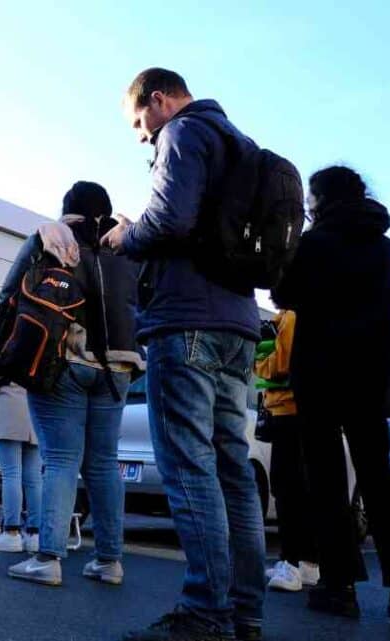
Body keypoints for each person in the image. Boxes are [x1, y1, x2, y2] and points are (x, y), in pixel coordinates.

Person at [102, 69, 266, 641]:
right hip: (238, 328)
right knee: (233, 476)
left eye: (140, 123)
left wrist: (128, 235)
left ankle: (205, 613)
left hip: (187, 322)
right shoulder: (237, 142)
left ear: (159, 99)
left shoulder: (183, 134)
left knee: (190, 470)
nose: (142, 137)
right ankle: (244, 612)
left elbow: (171, 219)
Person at [273, 166, 390, 623]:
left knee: (324, 478)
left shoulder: (315, 242)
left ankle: (337, 584)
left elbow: (283, 292)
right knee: (378, 478)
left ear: (320, 200)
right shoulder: (383, 247)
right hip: (367, 376)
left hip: (319, 374)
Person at [3, 183, 142, 588]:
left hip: (63, 360)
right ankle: (109, 561)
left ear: (68, 210)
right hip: (118, 366)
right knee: (103, 462)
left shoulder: (50, 237)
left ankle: (48, 557)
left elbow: (7, 293)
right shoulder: (129, 246)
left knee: (61, 459)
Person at [253, 310, 319, 593]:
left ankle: (291, 562)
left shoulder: (290, 318)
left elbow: (280, 364)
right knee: (301, 489)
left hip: (288, 410)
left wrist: (259, 363)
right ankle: (306, 563)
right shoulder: (295, 316)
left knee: (286, 486)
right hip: (301, 410)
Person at [0, 362, 41, 554]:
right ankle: (35, 534)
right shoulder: (46, 336)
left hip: (8, 405)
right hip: (36, 409)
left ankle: (11, 532)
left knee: (11, 473)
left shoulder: (6, 334)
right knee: (34, 478)